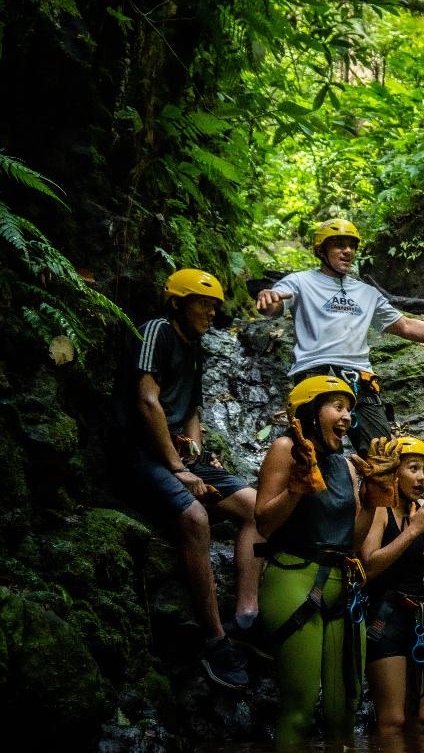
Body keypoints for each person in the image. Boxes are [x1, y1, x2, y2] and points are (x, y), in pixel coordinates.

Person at [114, 268, 261, 689]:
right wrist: (178, 469)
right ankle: (215, 642)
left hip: (179, 460)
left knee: (257, 507)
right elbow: (147, 400)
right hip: (140, 458)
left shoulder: (195, 347)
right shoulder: (156, 331)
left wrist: (193, 454)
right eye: (202, 304)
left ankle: (246, 617)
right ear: (177, 303)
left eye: (215, 306)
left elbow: (193, 411)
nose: (210, 313)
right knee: (196, 518)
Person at [254, 218, 424, 454]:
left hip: (360, 379)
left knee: (382, 457)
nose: (347, 251)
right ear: (321, 251)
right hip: (316, 373)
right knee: (312, 455)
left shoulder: (367, 293)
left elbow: (405, 326)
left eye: (351, 246)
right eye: (338, 244)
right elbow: (274, 304)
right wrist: (268, 301)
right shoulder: (300, 281)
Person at [254, 376, 399, 746]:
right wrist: (295, 490)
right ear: (309, 411)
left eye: (349, 409)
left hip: (342, 585)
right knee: (300, 708)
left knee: (344, 712)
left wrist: (371, 499)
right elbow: (265, 523)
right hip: (294, 577)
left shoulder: (348, 466)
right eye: (337, 406)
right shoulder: (286, 448)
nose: (348, 416)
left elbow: (350, 540)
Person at [359, 435, 424, 738]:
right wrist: (415, 529)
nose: (421, 477)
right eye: (413, 468)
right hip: (384, 618)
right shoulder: (378, 510)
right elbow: (369, 567)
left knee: (420, 718)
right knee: (392, 722)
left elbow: (418, 570)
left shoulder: (420, 511)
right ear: (395, 470)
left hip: (419, 616)